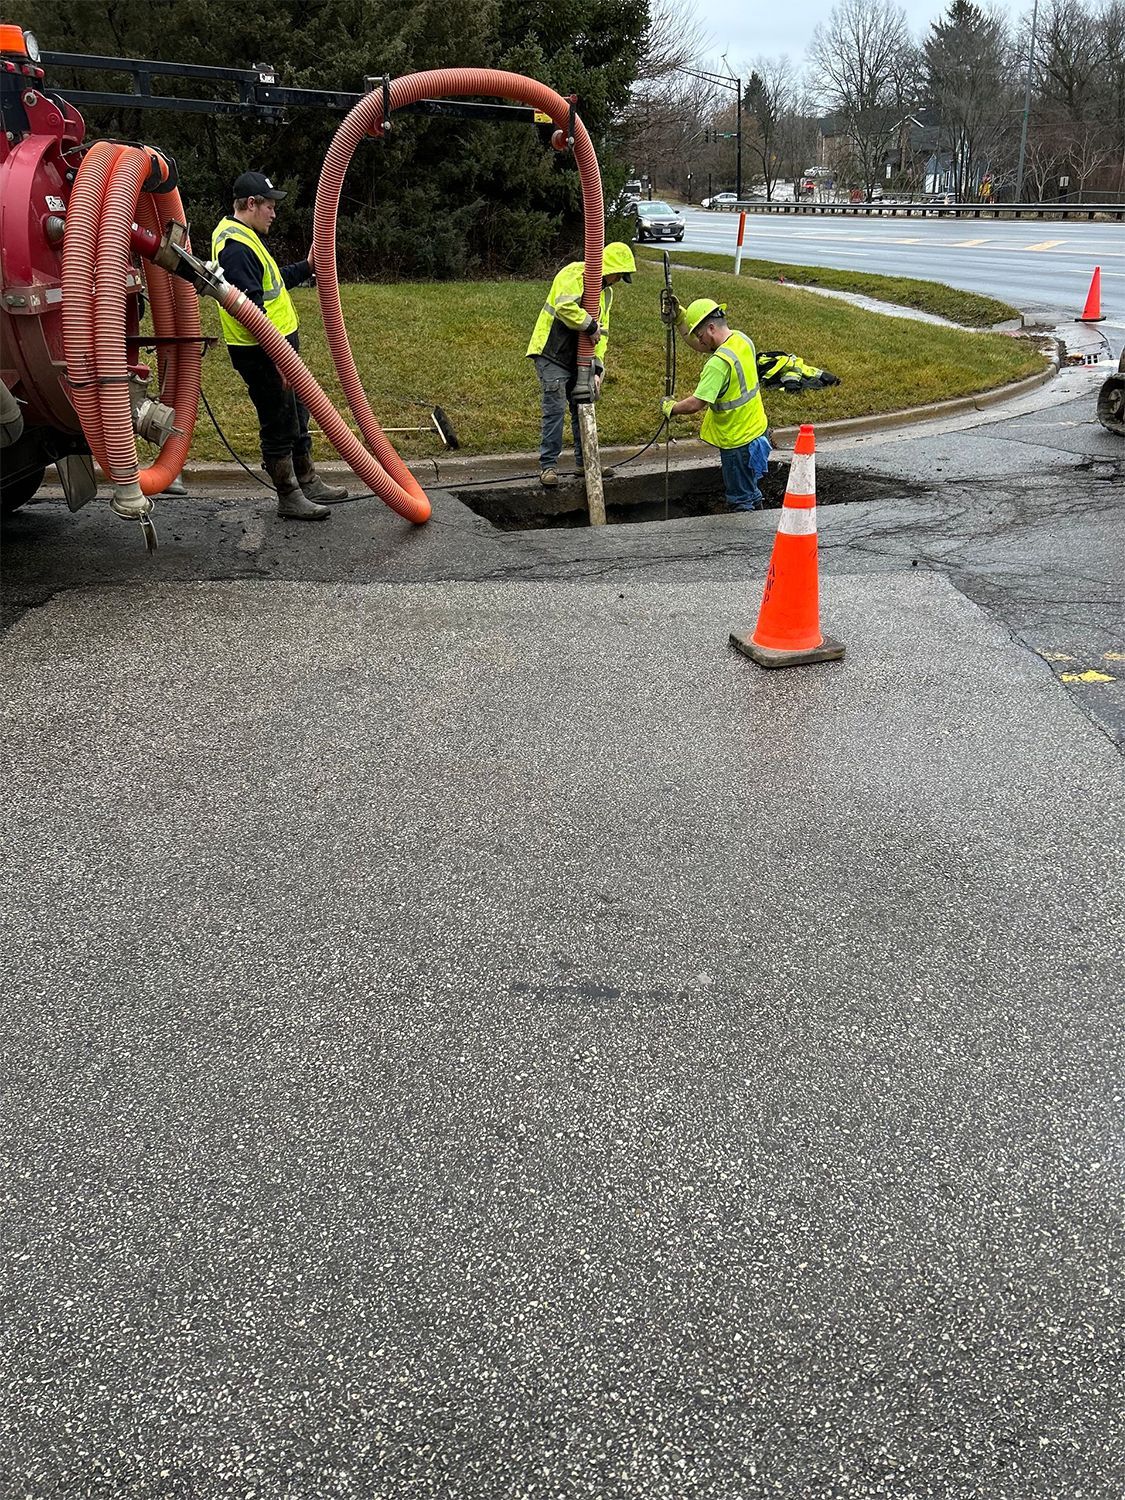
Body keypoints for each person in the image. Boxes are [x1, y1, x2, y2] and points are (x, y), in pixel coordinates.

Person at [211, 171, 348, 521]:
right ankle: (289, 494)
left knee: (298, 412)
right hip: (262, 353)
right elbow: (251, 312)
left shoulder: (247, 237)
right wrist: (280, 359)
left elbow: (274, 281)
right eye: (269, 206)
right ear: (251, 204)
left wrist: (308, 267)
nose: (274, 213)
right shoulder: (236, 248)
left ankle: (307, 480)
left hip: (278, 348)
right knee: (279, 420)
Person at [526, 242, 637, 487]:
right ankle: (548, 467)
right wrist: (590, 325)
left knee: (582, 407)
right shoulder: (574, 274)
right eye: (619, 274)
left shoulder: (606, 293)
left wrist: (598, 368)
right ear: (610, 267)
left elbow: (603, 333)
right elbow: (566, 308)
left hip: (581, 360)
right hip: (552, 352)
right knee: (554, 410)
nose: (618, 280)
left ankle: (585, 463)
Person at [660, 297, 771, 512]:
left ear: (711, 327)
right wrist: (680, 318)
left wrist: (670, 408)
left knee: (740, 500)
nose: (700, 343)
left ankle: (747, 543)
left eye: (701, 336)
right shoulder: (742, 340)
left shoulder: (718, 365)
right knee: (750, 490)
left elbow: (695, 403)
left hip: (737, 442)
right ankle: (759, 527)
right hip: (757, 431)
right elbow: (701, 345)